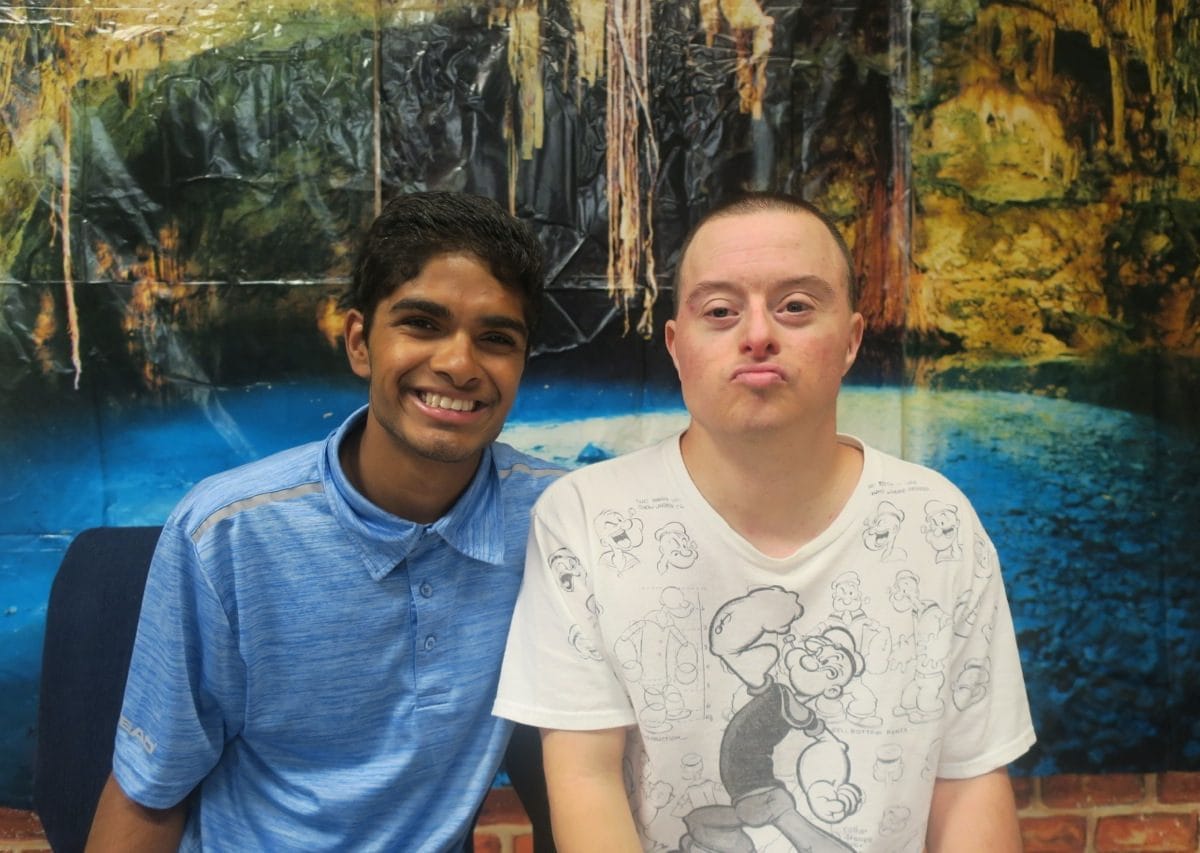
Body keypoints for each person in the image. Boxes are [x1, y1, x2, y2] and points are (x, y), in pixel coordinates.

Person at [494, 192, 1035, 852]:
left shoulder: (936, 522)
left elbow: (969, 781)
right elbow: (586, 779)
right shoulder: (586, 520)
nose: (757, 335)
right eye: (721, 311)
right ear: (676, 347)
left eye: (796, 306)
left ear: (851, 341)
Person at [86, 191, 562, 851]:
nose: (459, 364)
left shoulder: (559, 520)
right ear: (360, 342)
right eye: (422, 324)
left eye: (496, 339)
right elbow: (148, 796)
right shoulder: (227, 534)